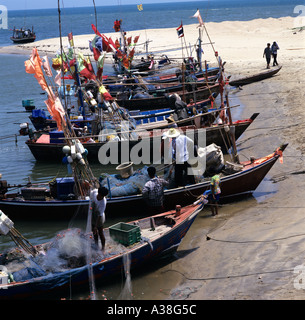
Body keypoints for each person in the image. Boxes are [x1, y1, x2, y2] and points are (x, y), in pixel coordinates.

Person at [90, 186, 109, 252]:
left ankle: (103, 248)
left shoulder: (103, 203)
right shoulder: (95, 193)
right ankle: (96, 245)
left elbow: (100, 215)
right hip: (94, 214)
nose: (100, 197)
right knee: (94, 232)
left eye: (102, 196)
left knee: (100, 232)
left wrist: (96, 226)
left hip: (99, 217)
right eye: (100, 195)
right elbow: (91, 192)